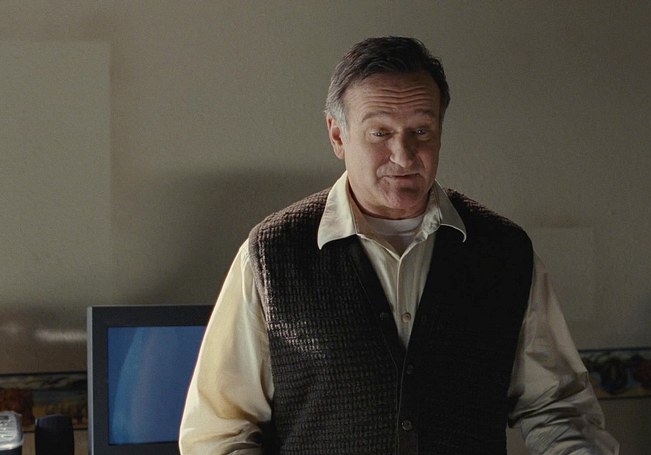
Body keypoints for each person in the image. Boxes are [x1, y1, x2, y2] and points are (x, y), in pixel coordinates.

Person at [180, 36, 619, 455]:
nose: (404, 156)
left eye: (421, 131)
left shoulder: (504, 253)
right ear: (337, 135)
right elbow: (220, 431)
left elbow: (557, 408)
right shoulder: (274, 255)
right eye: (380, 133)